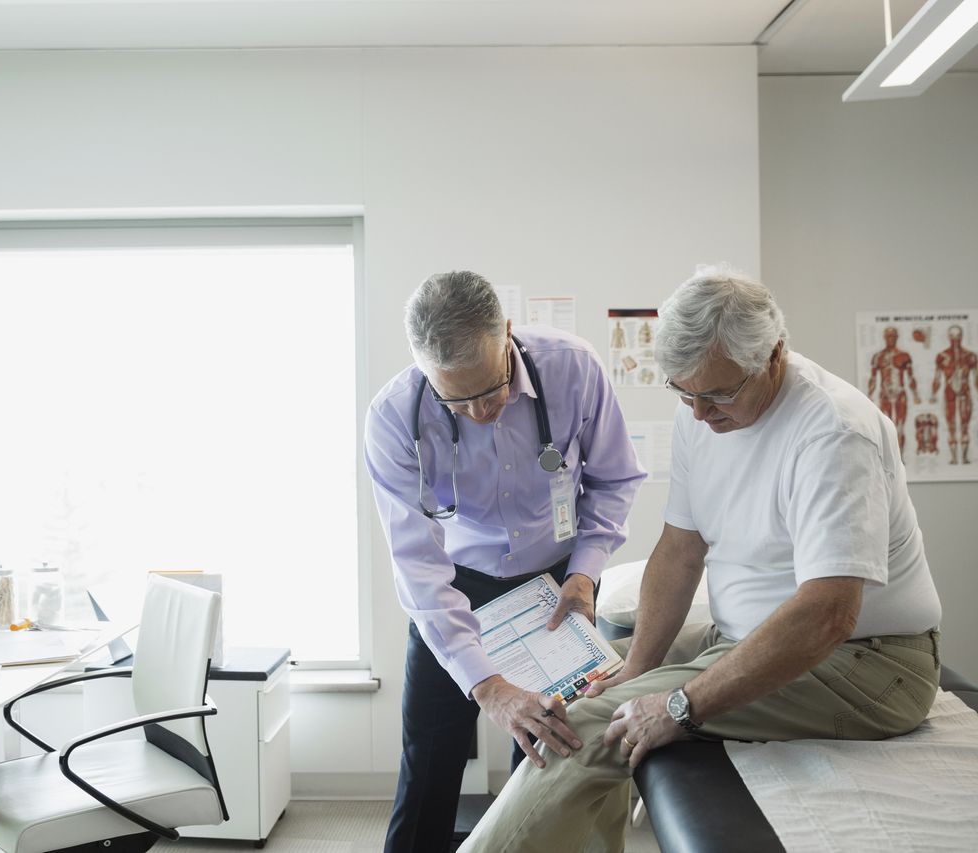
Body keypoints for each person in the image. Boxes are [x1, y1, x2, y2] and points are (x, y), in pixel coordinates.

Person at [459, 267, 943, 853]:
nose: (698, 413)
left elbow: (827, 615)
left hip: (863, 664)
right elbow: (680, 551)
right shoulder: (703, 415)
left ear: (774, 356)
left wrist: (680, 707)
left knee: (583, 729)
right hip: (745, 636)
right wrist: (637, 670)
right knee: (587, 689)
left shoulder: (832, 433)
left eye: (717, 393)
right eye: (683, 393)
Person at [365, 271, 645, 853]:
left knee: (551, 759)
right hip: (454, 590)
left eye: (491, 390)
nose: (480, 412)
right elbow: (417, 564)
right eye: (456, 399)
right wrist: (488, 688)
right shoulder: (393, 418)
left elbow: (614, 480)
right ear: (424, 371)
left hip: (557, 582)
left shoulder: (573, 368)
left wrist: (586, 571)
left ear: (508, 336)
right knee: (429, 766)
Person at [866, 325, 921, 457]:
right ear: (885, 338)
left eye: (893, 336)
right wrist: (869, 395)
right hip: (885, 394)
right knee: (886, 427)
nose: (891, 339)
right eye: (888, 336)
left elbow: (910, 377)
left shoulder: (904, 356)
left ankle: (900, 459)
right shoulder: (878, 357)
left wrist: (916, 395)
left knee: (900, 427)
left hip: (900, 393)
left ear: (897, 337)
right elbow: (873, 378)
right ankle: (889, 459)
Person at [929, 324, 977, 465]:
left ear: (961, 336)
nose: (955, 339)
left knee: (964, 425)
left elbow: (976, 377)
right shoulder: (943, 356)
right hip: (949, 394)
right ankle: (954, 458)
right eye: (952, 336)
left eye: (958, 335)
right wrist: (933, 393)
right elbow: (937, 378)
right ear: (949, 337)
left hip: (965, 393)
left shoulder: (970, 356)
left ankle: (965, 458)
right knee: (951, 426)